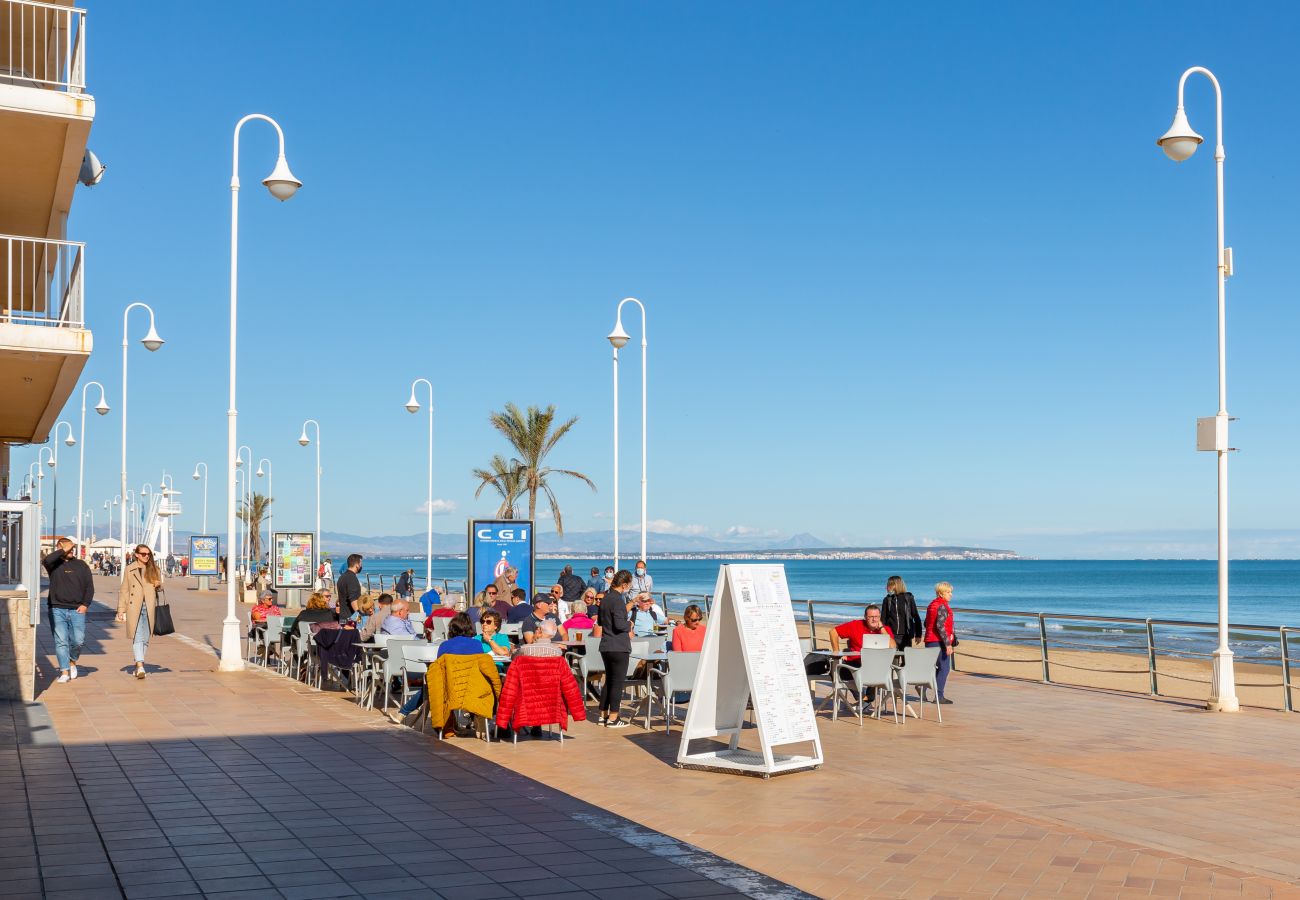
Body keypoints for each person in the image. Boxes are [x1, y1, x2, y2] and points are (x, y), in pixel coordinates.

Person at [43, 536, 94, 683]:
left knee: (78, 640)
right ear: (60, 548)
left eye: (73, 548)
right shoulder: (53, 565)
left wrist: (85, 604)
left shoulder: (81, 565)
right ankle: (64, 671)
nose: (72, 550)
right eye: (68, 548)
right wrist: (63, 550)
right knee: (61, 641)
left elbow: (89, 587)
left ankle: (72, 661)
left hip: (77, 609)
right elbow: (46, 560)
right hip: (56, 608)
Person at [828, 603, 895, 707]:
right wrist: (837, 653)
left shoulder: (885, 629)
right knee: (836, 668)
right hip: (856, 663)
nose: (874, 619)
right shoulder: (855, 625)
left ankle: (867, 699)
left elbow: (893, 647)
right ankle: (863, 698)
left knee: (879, 667)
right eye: (871, 617)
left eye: (876, 617)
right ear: (865, 617)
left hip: (876, 667)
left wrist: (881, 628)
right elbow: (833, 632)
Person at [117, 544, 163, 680]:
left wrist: (158, 585)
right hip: (134, 607)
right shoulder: (129, 569)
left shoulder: (155, 569)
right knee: (137, 636)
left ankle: (138, 665)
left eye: (148, 554)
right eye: (143, 554)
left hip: (149, 607)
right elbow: (124, 590)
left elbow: (159, 588)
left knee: (146, 638)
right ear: (136, 554)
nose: (146, 556)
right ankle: (141, 664)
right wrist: (121, 609)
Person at [597, 569, 634, 728]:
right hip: (618, 646)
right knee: (617, 682)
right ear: (624, 584)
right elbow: (620, 624)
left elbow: (600, 620)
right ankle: (613, 718)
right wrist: (629, 625)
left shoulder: (605, 598)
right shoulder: (618, 599)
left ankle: (603, 714)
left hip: (606, 645)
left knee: (609, 681)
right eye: (629, 585)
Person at [924, 582, 956, 705]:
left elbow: (927, 623)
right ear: (941, 593)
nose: (951, 595)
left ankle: (923, 687)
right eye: (948, 592)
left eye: (950, 592)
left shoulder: (932, 605)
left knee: (935, 668)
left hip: (930, 640)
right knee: (944, 668)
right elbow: (940, 626)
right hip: (938, 642)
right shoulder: (942, 606)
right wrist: (948, 644)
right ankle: (939, 696)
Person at [881, 575, 923, 651]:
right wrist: (882, 634)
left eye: (888, 585)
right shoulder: (887, 600)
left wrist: (918, 634)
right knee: (893, 660)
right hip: (891, 635)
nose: (886, 587)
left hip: (906, 636)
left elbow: (916, 616)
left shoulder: (908, 598)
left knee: (906, 660)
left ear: (895, 585)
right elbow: (883, 619)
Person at [336, 553, 363, 619]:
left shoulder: (342, 577)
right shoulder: (352, 578)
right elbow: (354, 600)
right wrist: (360, 617)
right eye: (361, 564)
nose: (361, 566)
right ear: (357, 565)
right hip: (350, 619)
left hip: (342, 616)